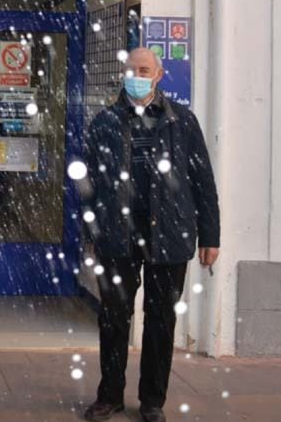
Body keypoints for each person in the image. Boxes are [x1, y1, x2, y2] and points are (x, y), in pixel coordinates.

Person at [81, 48, 220, 422]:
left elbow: (203, 181)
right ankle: (109, 395)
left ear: (158, 75)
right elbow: (88, 183)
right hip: (117, 234)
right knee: (113, 318)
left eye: (144, 69)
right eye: (131, 69)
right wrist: (90, 232)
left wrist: (210, 235)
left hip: (170, 234)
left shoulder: (182, 121)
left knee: (161, 320)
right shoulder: (105, 121)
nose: (136, 75)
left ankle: (152, 401)